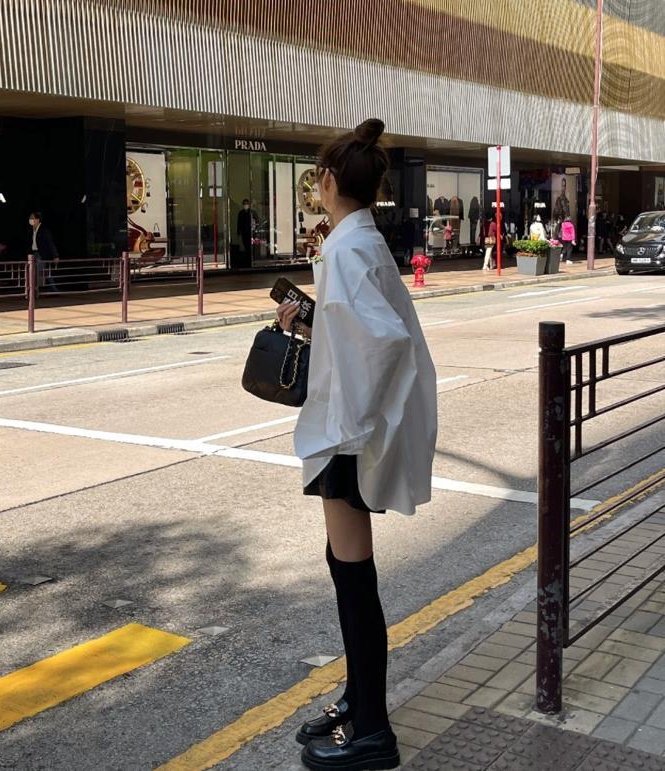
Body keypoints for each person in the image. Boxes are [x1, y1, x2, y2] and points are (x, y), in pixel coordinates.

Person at [276, 118, 437, 771]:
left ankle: (372, 731)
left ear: (328, 181)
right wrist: (314, 326)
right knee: (347, 569)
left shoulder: (345, 249)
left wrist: (350, 419)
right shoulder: (361, 240)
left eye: (317, 178)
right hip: (351, 427)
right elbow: (364, 334)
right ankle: (357, 699)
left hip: (347, 432)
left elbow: (379, 344)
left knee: (353, 578)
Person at [28, 212, 59, 294]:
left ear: (37, 219)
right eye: (30, 218)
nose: (30, 220)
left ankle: (52, 290)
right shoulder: (31, 230)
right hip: (33, 254)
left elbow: (50, 242)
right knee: (35, 272)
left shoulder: (44, 230)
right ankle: (35, 291)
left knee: (42, 272)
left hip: (41, 254)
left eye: (32, 218)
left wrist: (55, 256)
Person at [236, 199, 254, 266]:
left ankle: (251, 260)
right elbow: (239, 223)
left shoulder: (251, 212)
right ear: (243, 205)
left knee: (250, 246)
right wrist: (238, 232)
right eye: (244, 204)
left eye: (247, 203)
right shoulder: (241, 213)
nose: (246, 205)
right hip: (244, 232)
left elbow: (255, 221)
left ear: (249, 204)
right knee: (246, 246)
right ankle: (247, 260)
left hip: (250, 233)